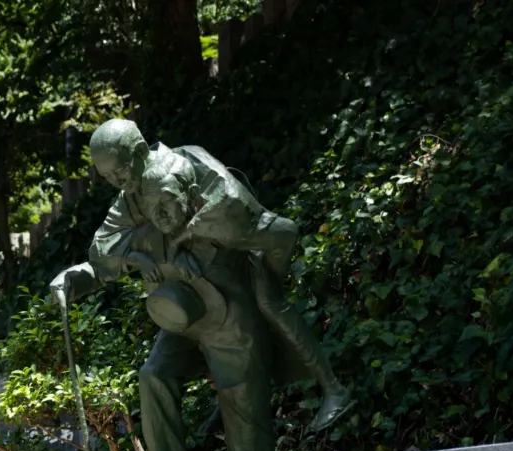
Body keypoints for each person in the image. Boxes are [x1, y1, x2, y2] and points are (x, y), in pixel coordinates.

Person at [84, 118, 352, 432]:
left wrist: (180, 235)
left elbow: (232, 204)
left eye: (120, 169)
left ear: (141, 151)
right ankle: (226, 405)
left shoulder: (187, 159)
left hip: (252, 251)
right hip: (211, 283)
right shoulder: (130, 195)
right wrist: (139, 255)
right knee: (201, 334)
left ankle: (333, 388)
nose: (118, 180)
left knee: (269, 304)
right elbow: (100, 248)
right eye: (108, 177)